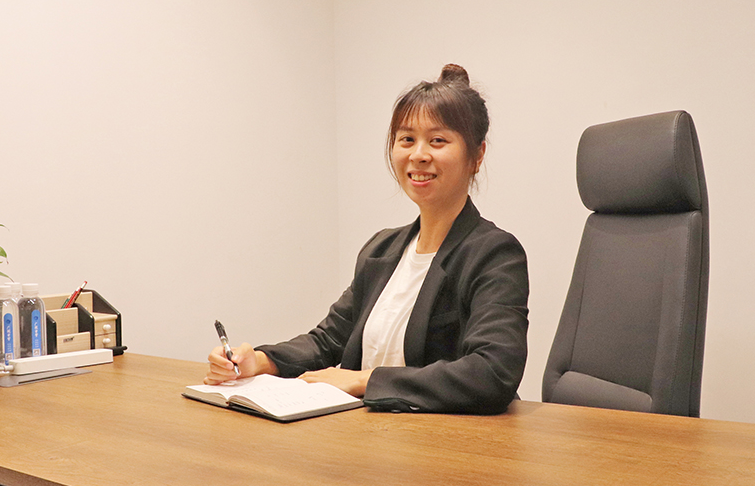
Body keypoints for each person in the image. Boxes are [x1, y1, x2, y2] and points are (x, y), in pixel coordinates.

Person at [206, 64, 529, 414]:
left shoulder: (494, 254)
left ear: (476, 156)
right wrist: (258, 361)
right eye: (407, 139)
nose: (418, 155)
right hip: (368, 432)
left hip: (442, 439)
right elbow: (329, 339)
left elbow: (492, 372)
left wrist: (363, 380)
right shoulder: (381, 250)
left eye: (437, 141)